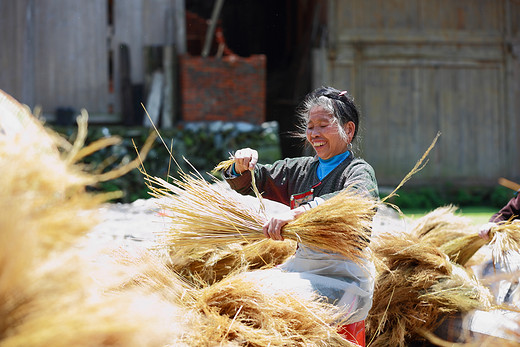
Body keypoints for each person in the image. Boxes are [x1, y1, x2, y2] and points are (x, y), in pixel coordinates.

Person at [223, 86, 378, 346]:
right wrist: (241, 165)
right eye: (310, 127)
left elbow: (358, 199)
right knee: (242, 295)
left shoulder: (357, 171)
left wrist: (302, 212)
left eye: (323, 125)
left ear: (348, 130)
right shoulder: (301, 170)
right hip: (304, 269)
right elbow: (255, 179)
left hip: (344, 277)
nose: (314, 133)